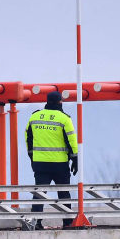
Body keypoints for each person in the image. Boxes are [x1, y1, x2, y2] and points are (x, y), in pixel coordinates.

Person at [26, 91, 78, 228]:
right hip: (59, 163)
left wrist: (32, 156)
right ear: (60, 102)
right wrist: (75, 158)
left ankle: (36, 222)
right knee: (63, 193)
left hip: (40, 163)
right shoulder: (64, 118)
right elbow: (71, 140)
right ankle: (67, 222)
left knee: (40, 193)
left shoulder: (34, 117)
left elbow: (28, 138)